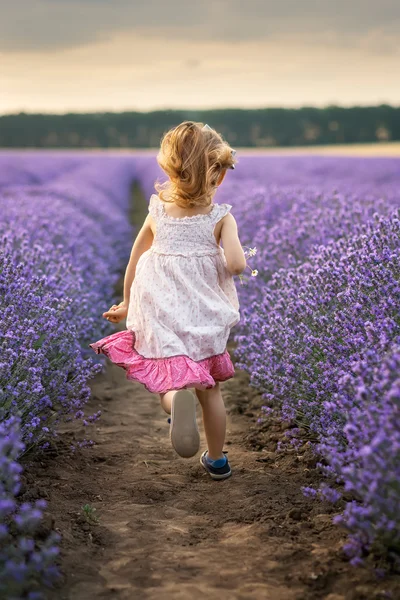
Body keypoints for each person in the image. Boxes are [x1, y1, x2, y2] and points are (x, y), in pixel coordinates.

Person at [89, 121, 246, 480]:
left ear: (170, 170)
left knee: (169, 379)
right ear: (218, 176)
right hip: (203, 313)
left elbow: (134, 257)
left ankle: (176, 402)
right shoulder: (222, 218)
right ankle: (217, 459)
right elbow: (236, 265)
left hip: (159, 309)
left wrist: (127, 303)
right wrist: (240, 258)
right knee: (211, 390)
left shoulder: (158, 211)